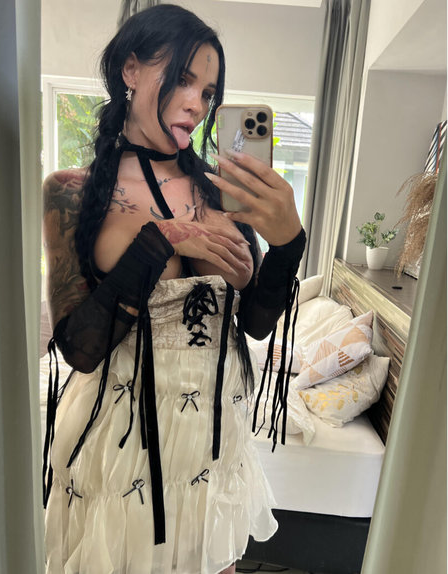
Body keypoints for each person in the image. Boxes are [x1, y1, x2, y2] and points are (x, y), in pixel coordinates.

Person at [42, 4, 306, 574]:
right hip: (118, 440)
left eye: (208, 92)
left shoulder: (222, 191)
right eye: (183, 79)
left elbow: (256, 325)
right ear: (131, 70)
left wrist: (288, 244)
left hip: (212, 432)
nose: (197, 104)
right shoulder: (72, 191)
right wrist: (159, 240)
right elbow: (79, 348)